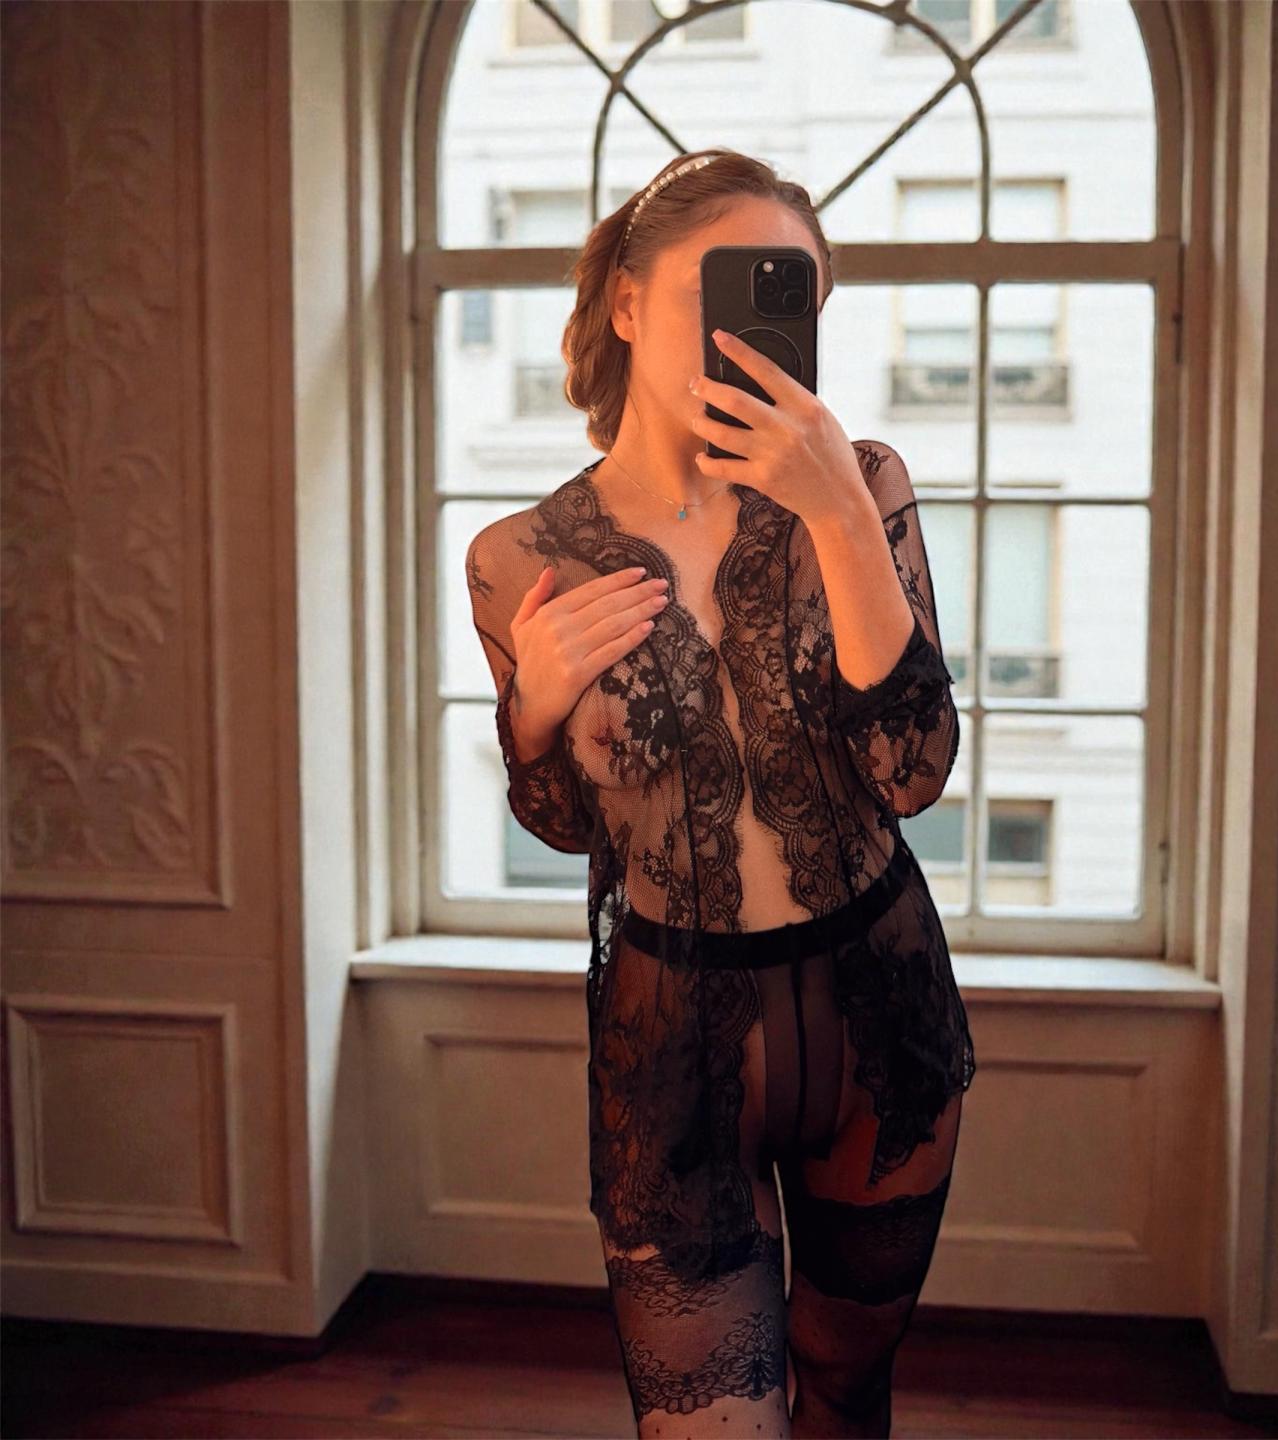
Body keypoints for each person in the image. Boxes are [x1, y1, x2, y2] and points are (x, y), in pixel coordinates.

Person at [464, 147, 976, 1439]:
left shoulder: (866, 486)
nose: (751, 331)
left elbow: (914, 773)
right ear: (630, 301)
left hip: (880, 1012)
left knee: (846, 1388)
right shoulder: (518, 556)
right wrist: (532, 712)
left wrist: (840, 515)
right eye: (725, 287)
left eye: (788, 296)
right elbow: (564, 825)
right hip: (672, 1043)